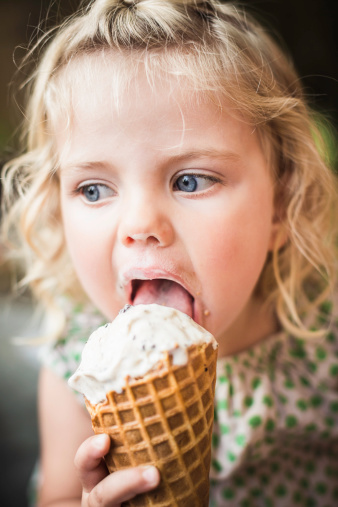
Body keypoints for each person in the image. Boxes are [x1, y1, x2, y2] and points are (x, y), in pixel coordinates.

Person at [1, 0, 337, 505]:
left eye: (190, 180)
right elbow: (58, 495)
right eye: (93, 189)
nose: (140, 226)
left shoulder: (323, 337)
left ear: (280, 205)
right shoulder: (81, 365)